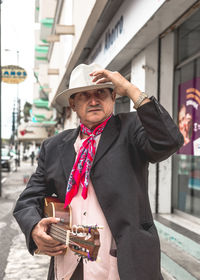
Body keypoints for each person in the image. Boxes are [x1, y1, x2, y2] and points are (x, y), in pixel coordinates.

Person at [13, 63, 184, 280]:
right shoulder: (54, 146)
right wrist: (34, 227)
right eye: (84, 95)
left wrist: (131, 89)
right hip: (70, 266)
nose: (94, 100)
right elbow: (28, 200)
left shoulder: (132, 128)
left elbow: (169, 141)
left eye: (101, 92)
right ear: (73, 104)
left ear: (114, 97)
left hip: (124, 266)